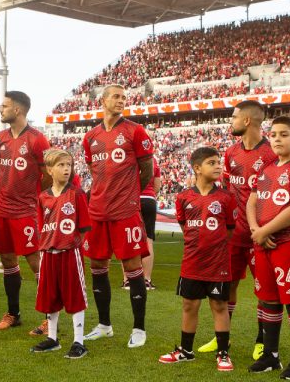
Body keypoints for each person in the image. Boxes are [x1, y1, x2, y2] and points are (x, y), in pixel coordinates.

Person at [198, 100, 278, 358]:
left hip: (260, 233)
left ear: (246, 121)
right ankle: (223, 338)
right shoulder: (231, 153)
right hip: (233, 235)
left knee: (264, 288)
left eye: (233, 117)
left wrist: (265, 229)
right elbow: (228, 191)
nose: (230, 121)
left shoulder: (271, 154)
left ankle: (262, 339)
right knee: (226, 285)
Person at [81, 84, 154, 348]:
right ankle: (104, 325)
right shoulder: (90, 137)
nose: (121, 101)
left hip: (125, 211)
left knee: (133, 268)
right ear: (103, 101)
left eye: (124, 97)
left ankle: (139, 329)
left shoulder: (135, 131)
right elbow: (95, 171)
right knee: (98, 267)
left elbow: (146, 170)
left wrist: (129, 193)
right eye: (116, 97)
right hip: (97, 212)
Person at [247, 116, 290, 380]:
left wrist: (265, 231)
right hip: (263, 242)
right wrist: (256, 230)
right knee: (268, 298)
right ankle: (270, 356)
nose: (276, 139)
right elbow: (252, 201)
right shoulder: (266, 169)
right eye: (273, 134)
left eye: (284, 134)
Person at [158, 147, 236, 371]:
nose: (218, 166)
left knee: (219, 305)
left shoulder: (225, 197)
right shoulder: (183, 197)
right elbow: (185, 227)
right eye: (212, 163)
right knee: (189, 305)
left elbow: (229, 230)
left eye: (219, 162)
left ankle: (223, 353)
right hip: (192, 261)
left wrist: (213, 243)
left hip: (218, 263)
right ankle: (185, 351)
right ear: (197, 168)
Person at [0, 90, 51, 334]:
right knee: (7, 261)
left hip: (26, 211)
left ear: (17, 109)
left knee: (36, 262)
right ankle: (13, 313)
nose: (0, 110)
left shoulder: (37, 140)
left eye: (4, 106)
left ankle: (49, 317)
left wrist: (32, 197)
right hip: (3, 210)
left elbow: (47, 175)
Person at [31, 149, 91, 359]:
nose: (66, 169)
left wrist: (71, 245)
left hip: (69, 253)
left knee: (75, 297)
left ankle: (78, 341)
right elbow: (42, 226)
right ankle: (53, 338)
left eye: (69, 165)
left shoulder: (76, 194)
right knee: (50, 297)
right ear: (49, 169)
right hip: (48, 253)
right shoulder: (43, 197)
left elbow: (83, 227)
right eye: (61, 165)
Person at [122, 159, 161, 290]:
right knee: (148, 240)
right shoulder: (153, 160)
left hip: (130, 199)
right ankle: (146, 279)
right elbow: (157, 186)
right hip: (149, 199)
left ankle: (127, 279)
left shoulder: (128, 158)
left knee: (128, 239)